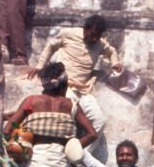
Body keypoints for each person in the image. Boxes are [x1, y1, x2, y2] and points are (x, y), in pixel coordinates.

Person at [4, 63, 97, 167]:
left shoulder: (31, 101)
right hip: (60, 160)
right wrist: (72, 147)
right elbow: (92, 134)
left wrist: (19, 143)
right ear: (64, 84)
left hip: (36, 159)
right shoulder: (71, 105)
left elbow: (7, 130)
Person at [28, 15, 122, 143]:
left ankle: (79, 155)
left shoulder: (100, 44)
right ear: (85, 29)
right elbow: (50, 46)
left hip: (84, 90)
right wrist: (40, 66)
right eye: (92, 34)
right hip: (65, 88)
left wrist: (115, 63)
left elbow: (111, 52)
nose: (94, 38)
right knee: (67, 121)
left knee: (100, 121)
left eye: (98, 36)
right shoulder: (68, 34)